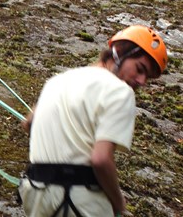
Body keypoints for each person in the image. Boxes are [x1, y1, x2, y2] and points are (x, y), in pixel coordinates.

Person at [19, 25, 168, 217]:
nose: (141, 81)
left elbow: (29, 123)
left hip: (36, 194)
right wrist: (118, 203)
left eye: (147, 77)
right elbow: (100, 159)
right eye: (140, 69)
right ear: (119, 52)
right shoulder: (120, 91)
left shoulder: (58, 80)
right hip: (80, 200)